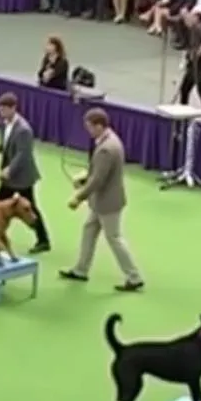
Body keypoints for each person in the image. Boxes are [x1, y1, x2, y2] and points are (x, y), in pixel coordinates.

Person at [58, 108, 144, 292]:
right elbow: (98, 172)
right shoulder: (110, 140)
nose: (87, 130)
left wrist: (79, 197)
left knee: (114, 238)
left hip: (107, 203)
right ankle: (81, 269)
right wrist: (84, 177)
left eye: (89, 127)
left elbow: (98, 179)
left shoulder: (105, 149)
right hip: (102, 202)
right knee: (89, 230)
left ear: (99, 125)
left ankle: (134, 276)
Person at [0, 92, 50, 254]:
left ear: (13, 108)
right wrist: (0, 147)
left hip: (22, 177)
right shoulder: (4, 123)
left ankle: (43, 240)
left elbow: (23, 154)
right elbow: (8, 142)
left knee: (31, 209)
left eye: (4, 109)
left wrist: (9, 170)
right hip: (9, 176)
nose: (1, 113)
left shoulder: (24, 130)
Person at [177, 11, 201, 122]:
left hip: (200, 64)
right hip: (192, 63)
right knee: (189, 89)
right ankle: (185, 112)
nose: (186, 22)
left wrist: (199, 52)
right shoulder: (189, 30)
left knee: (198, 90)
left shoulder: (199, 28)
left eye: (188, 19)